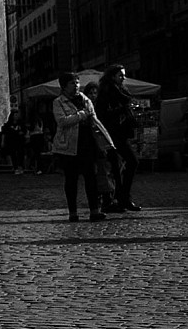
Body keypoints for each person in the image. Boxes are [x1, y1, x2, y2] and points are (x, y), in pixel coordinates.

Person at [49, 72, 110, 224]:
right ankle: (73, 212)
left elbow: (93, 117)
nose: (76, 85)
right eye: (72, 83)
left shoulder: (85, 99)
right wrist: (82, 114)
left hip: (87, 143)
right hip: (68, 147)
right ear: (64, 86)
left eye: (77, 82)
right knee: (71, 180)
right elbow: (62, 121)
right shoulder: (59, 102)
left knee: (91, 178)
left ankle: (94, 211)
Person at [95, 66, 141, 213]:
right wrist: (123, 109)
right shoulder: (107, 92)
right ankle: (120, 199)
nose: (123, 78)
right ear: (112, 76)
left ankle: (122, 198)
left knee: (125, 165)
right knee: (121, 165)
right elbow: (103, 115)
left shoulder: (121, 91)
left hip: (121, 133)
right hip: (112, 134)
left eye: (124, 75)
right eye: (120, 75)